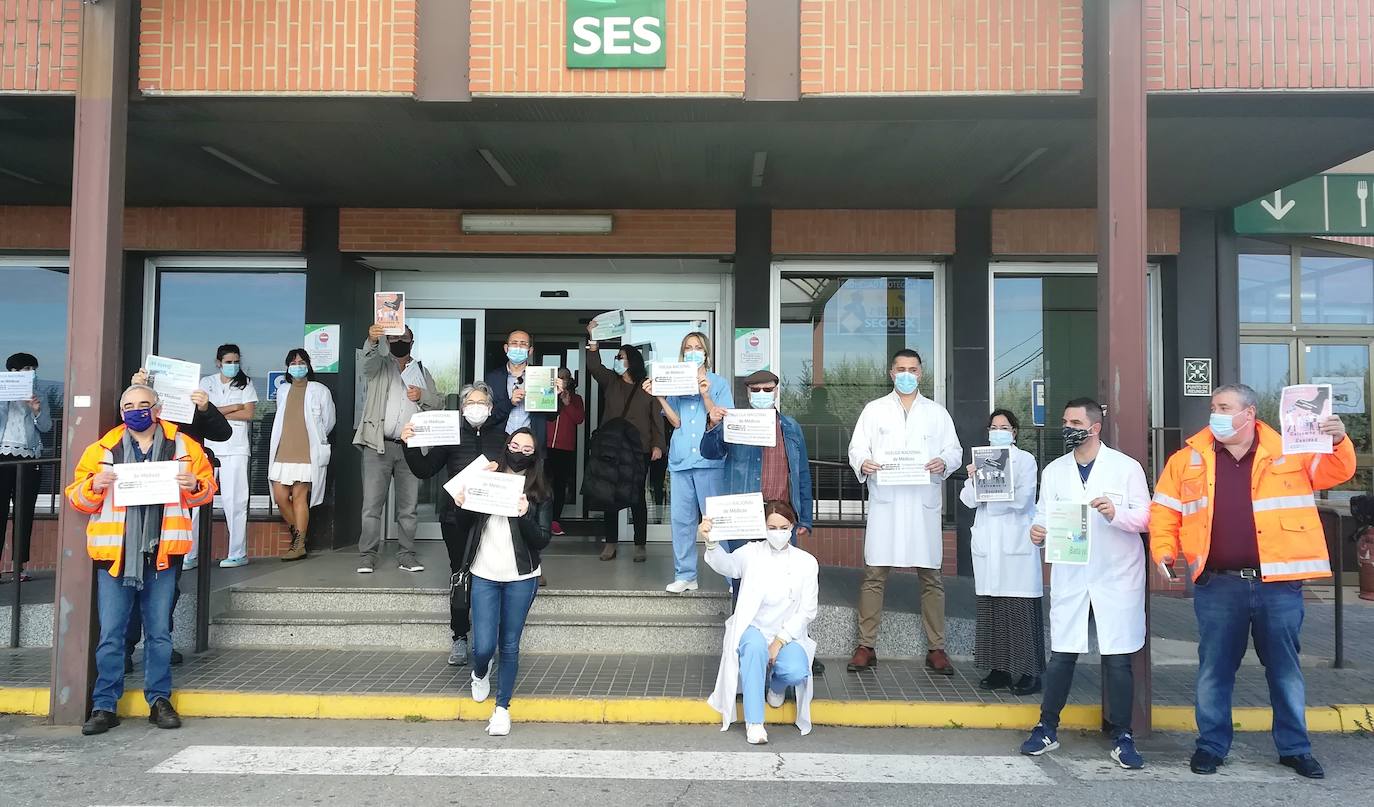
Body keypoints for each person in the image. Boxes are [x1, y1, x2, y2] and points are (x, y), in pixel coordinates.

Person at [1151, 384, 1353, 780]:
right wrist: (1163, 551)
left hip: (1277, 585)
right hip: (1218, 585)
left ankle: (1295, 749)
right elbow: (1164, 511)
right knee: (1214, 669)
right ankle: (1211, 746)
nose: (1216, 414)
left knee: (1284, 670)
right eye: (1213, 407)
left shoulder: (1290, 450)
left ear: (1249, 413)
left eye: (1224, 407)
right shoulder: (1188, 459)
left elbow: (1337, 470)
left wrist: (1340, 439)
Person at [68, 384, 216, 735]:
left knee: (160, 633)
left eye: (144, 404)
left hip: (163, 553)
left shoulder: (185, 445)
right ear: (122, 412)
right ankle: (104, 705)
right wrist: (95, 485)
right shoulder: (102, 449)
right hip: (116, 556)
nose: (137, 410)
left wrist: (194, 483)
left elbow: (207, 490)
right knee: (112, 634)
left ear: (157, 407)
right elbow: (76, 498)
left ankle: (159, 700)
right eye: (129, 405)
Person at [1020, 398, 1150, 770]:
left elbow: (1145, 517)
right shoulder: (1056, 470)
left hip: (1116, 574)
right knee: (1062, 654)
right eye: (1064, 421)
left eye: (1074, 421)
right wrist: (1037, 532)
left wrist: (1116, 513)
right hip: (1072, 574)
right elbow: (1042, 514)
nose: (1067, 427)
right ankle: (1047, 728)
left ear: (1095, 427)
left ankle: (1122, 736)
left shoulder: (1126, 468)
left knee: (1118, 657)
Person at [846, 349, 962, 675]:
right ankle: (865, 646)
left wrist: (945, 462)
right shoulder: (874, 410)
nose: (907, 374)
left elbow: (954, 450)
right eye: (901, 369)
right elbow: (857, 448)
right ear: (891, 373)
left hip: (922, 504)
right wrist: (863, 462)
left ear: (921, 374)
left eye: (912, 369)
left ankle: (936, 648)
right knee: (874, 576)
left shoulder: (937, 413)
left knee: (931, 577)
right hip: (888, 503)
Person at [124, 367, 231, 672]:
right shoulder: (135, 410)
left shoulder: (188, 417)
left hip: (172, 508)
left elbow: (223, 433)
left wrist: (206, 408)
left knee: (167, 581)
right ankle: (127, 646)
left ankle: (161, 644)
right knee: (129, 580)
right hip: (130, 510)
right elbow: (114, 421)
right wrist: (134, 389)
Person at [455, 427, 552, 736]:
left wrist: (525, 514)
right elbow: (462, 526)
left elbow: (542, 540)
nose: (520, 452)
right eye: (515, 445)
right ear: (506, 446)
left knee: (509, 644)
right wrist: (462, 503)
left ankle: (502, 709)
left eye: (527, 449)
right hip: (484, 572)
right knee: (483, 646)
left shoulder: (540, 491)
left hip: (521, 577)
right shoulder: (486, 476)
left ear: (534, 456)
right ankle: (480, 672)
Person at [402, 381, 506, 667]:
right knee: (460, 575)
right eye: (470, 403)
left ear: (491, 408)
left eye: (481, 403)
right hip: (455, 518)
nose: (476, 408)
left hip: (493, 519)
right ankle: (460, 637)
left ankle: (489, 639)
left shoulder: (502, 437)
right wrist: (408, 442)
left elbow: (522, 468)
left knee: (492, 577)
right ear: (462, 408)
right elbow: (424, 470)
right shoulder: (450, 436)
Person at [702, 500, 819, 745]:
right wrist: (711, 541)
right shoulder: (751, 552)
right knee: (754, 648)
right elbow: (727, 565)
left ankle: (776, 687)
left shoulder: (806, 562)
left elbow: (808, 610)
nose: (778, 533)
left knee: (796, 669)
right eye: (772, 527)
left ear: (792, 527)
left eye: (783, 527)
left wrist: (780, 641)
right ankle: (755, 723)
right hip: (752, 628)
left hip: (787, 634)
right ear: (763, 527)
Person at [959, 409, 1043, 695]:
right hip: (988, 543)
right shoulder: (980, 461)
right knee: (992, 608)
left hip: (1015, 541)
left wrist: (993, 486)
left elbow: (1023, 500)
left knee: (1018, 608)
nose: (998, 431)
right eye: (994, 426)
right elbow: (969, 501)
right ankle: (999, 669)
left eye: (1004, 427)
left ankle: (1030, 671)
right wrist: (974, 479)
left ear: (1014, 432)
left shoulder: (1025, 461)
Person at [648, 332, 733, 593]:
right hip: (682, 459)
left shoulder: (718, 383)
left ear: (706, 352)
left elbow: (719, 417)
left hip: (710, 461)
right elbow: (676, 421)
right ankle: (685, 575)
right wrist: (659, 395)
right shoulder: (676, 382)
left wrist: (705, 393)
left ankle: (732, 577)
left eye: (697, 348)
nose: (693, 351)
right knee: (682, 521)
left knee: (716, 520)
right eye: (688, 348)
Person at [353, 324, 441, 574]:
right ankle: (367, 555)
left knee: (408, 507)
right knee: (371, 505)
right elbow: (365, 365)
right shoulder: (379, 365)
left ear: (412, 343)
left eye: (404, 338)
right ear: (387, 340)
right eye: (394, 338)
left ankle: (407, 554)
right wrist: (371, 340)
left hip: (410, 449)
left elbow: (438, 402)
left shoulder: (421, 371)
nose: (399, 341)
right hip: (377, 445)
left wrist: (421, 395)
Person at [700, 370, 814, 551]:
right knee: (743, 573)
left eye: (768, 390)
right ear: (748, 392)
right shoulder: (734, 423)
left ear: (776, 391)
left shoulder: (791, 427)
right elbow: (710, 453)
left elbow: (802, 474)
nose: (762, 394)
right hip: (744, 514)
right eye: (756, 390)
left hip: (781, 514)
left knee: (781, 574)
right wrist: (713, 424)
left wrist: (806, 517)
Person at [585, 323, 665, 562]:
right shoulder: (611, 381)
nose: (616, 360)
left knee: (636, 496)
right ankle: (610, 543)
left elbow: (656, 419)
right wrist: (593, 340)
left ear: (632, 361)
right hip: (611, 449)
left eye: (620, 357)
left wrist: (658, 445)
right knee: (609, 495)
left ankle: (640, 544)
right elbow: (593, 366)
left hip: (638, 449)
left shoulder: (647, 387)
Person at [192, 344, 258, 569]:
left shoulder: (246, 383)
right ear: (218, 362)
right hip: (208, 448)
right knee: (198, 501)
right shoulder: (206, 383)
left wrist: (216, 410)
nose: (233, 366)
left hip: (236, 449)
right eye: (228, 362)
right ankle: (190, 554)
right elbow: (201, 412)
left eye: (236, 361)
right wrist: (232, 408)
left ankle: (237, 553)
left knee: (235, 501)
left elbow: (248, 413)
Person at [268, 350, 336, 562]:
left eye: (302, 362)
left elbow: (328, 421)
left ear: (308, 365)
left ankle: (298, 545)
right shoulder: (283, 390)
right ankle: (300, 536)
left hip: (307, 452)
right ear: (288, 367)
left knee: (299, 498)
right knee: (280, 496)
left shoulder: (319, 390)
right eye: (294, 362)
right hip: (283, 450)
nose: (298, 365)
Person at [0, 352, 51, 583]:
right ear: (12, 373)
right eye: (24, 368)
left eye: (32, 367)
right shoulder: (2, 393)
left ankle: (19, 565)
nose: (30, 372)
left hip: (30, 458)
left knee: (24, 512)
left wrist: (37, 410)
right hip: (3, 456)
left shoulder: (39, 394)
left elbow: (47, 427)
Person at [485, 330, 551, 446]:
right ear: (506, 348)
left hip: (531, 445)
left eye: (523, 344)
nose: (518, 347)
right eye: (514, 343)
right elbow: (488, 416)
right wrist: (510, 402)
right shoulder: (492, 378)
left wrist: (555, 395)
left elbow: (551, 416)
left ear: (530, 351)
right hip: (499, 444)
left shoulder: (542, 377)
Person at [546, 368, 585, 537]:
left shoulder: (576, 399)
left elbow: (579, 419)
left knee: (560, 485)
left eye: (566, 378)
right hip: (545, 446)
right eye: (560, 377)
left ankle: (555, 520)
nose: (563, 380)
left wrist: (568, 404)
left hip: (564, 448)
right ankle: (541, 520)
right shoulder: (547, 394)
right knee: (544, 484)